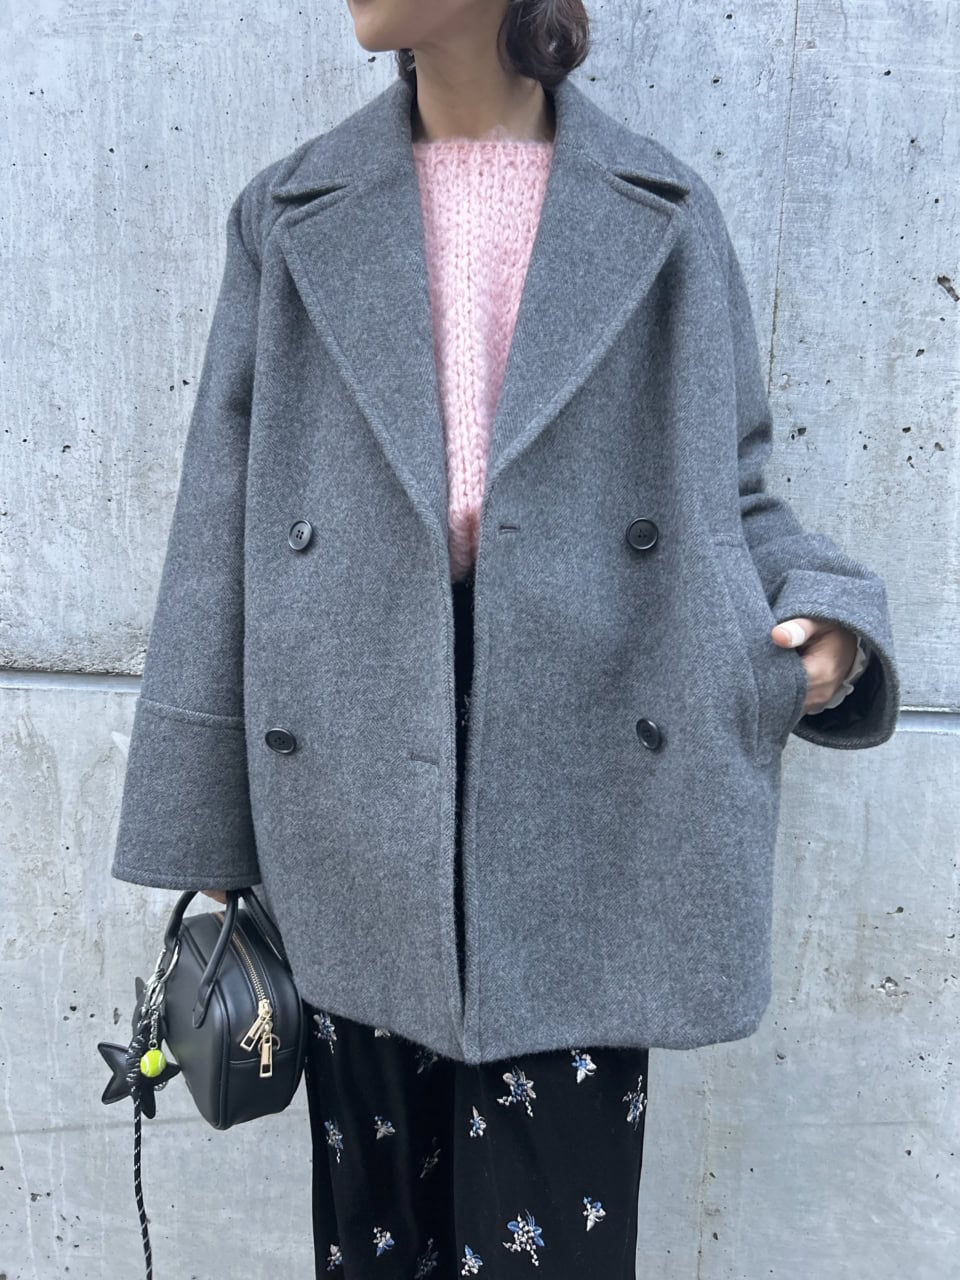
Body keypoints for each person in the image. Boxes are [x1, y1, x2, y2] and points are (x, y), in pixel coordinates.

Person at [112, 2, 897, 1276]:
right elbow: (222, 522)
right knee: (376, 1246)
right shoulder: (287, 214)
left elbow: (733, 488)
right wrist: (206, 835)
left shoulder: (665, 212)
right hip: (356, 788)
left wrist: (829, 629)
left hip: (588, 778)